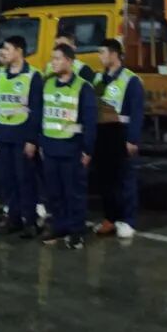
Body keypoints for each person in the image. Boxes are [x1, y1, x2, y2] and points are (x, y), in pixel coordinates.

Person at [38, 43, 97, 250]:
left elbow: (89, 121)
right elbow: (42, 115)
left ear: (69, 61)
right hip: (51, 147)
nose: (53, 62)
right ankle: (59, 226)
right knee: (54, 192)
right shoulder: (47, 84)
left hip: (72, 148)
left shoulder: (83, 87)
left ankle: (76, 231)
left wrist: (87, 149)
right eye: (52, 58)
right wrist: (41, 143)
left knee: (74, 193)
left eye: (57, 59)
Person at [0, 35, 43, 238]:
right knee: (7, 179)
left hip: (22, 136)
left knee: (25, 180)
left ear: (19, 51)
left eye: (7, 49)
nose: (4, 53)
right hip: (4, 135)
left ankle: (30, 221)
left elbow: (36, 110)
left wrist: (32, 139)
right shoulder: (1, 74)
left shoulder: (32, 76)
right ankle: (13, 218)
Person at [93, 38, 145, 239]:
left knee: (125, 179)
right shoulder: (99, 79)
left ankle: (128, 221)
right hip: (102, 134)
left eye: (102, 52)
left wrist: (132, 139)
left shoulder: (130, 80)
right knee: (106, 180)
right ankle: (110, 218)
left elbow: (137, 111)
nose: (99, 56)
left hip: (121, 133)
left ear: (114, 54)